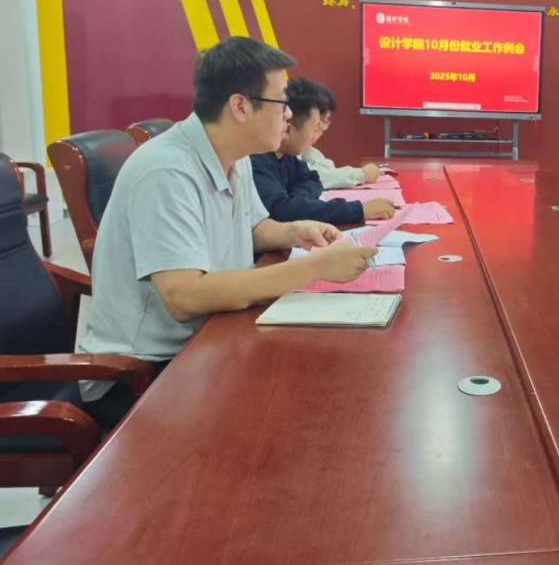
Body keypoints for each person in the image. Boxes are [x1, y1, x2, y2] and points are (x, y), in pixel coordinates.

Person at [78, 37, 378, 429]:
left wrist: (296, 231)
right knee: (292, 414)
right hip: (144, 371)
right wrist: (316, 268)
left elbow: (254, 228)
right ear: (240, 106)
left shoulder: (237, 157)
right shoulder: (166, 170)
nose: (289, 115)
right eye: (282, 102)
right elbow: (185, 296)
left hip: (211, 336)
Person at [251, 78, 394, 225]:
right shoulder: (256, 160)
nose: (316, 136)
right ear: (288, 127)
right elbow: (283, 211)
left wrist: (298, 201)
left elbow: (312, 179)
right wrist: (358, 210)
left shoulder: (287, 157)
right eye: (315, 128)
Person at [300, 83, 383, 189]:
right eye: (320, 123)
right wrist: (361, 174)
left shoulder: (306, 151)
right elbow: (317, 177)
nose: (321, 129)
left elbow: (327, 170)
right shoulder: (285, 157)